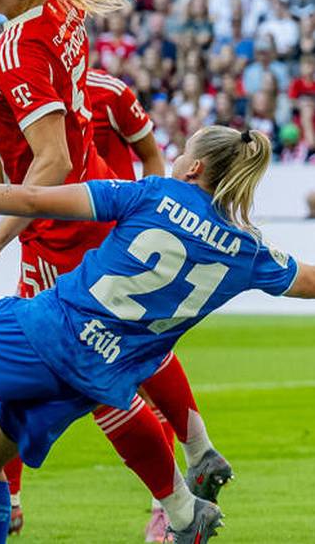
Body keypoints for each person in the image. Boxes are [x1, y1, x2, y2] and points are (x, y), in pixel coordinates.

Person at [0, 126, 315, 544]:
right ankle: (186, 511)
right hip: (92, 380)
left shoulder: (151, 194)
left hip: (46, 333)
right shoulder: (248, 250)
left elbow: (33, 198)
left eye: (183, 152)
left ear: (195, 168)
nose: (176, 158)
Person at [0, 0, 219, 540]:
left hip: (58, 225)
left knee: (84, 368)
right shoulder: (58, 2)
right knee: (117, 352)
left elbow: (45, 163)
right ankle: (194, 455)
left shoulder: (16, 49)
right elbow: (18, 155)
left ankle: (177, 503)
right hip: (92, 197)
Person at [84, 65, 186, 540]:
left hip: (113, 248)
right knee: (42, 374)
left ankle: (167, 506)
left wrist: (144, 222)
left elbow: (151, 156)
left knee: (142, 374)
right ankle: (9, 498)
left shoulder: (108, 92)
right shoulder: (23, 93)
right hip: (51, 246)